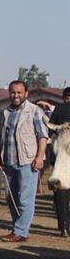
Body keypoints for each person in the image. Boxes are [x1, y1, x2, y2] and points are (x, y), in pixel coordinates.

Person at [0, 80, 49, 242]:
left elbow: (43, 136)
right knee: (10, 197)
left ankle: (21, 231)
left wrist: (39, 157)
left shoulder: (34, 111)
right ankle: (17, 228)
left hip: (27, 161)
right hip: (9, 161)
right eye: (13, 92)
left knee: (25, 198)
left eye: (19, 92)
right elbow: (3, 138)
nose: (16, 95)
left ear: (26, 94)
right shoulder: (6, 112)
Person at [50, 87, 70, 237]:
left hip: (60, 157)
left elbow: (51, 129)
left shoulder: (59, 108)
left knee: (60, 193)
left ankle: (63, 226)